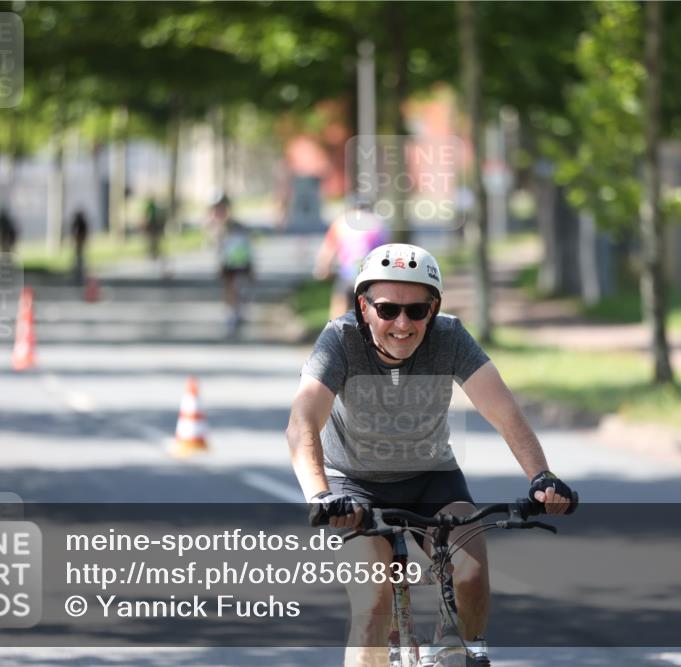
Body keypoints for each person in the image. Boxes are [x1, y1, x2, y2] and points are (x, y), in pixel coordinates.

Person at [286, 243, 576, 667]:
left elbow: (503, 411)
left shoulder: (450, 338)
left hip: (431, 477)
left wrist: (541, 477)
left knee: (472, 575)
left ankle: (457, 648)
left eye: (417, 311)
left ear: (434, 309)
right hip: (354, 487)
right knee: (373, 601)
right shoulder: (339, 340)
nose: (402, 323)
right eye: (387, 310)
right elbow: (302, 421)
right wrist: (321, 496)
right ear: (364, 308)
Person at [312, 201, 389, 320]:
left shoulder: (341, 222)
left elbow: (328, 249)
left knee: (340, 303)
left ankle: (334, 331)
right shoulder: (378, 224)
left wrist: (323, 268)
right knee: (370, 307)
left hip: (348, 273)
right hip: (371, 274)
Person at [208, 194, 253, 337]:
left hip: (241, 260)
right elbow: (216, 246)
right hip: (227, 261)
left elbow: (246, 244)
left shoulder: (236, 225)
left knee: (240, 286)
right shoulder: (216, 226)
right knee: (228, 286)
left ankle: (237, 310)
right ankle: (230, 315)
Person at [70, 210, 89, 286]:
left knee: (80, 258)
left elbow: (83, 233)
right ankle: (77, 272)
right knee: (78, 258)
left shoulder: (81, 223)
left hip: (80, 242)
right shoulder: (78, 223)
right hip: (78, 242)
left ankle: (80, 273)